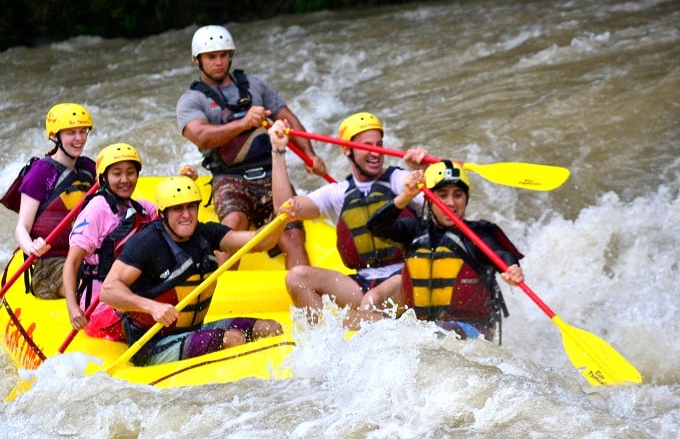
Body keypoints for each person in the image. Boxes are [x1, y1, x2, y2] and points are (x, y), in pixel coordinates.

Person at [175, 24, 327, 269]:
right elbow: (202, 136)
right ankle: (220, 291)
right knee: (233, 224)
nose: (219, 62)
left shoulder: (256, 86)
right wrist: (245, 122)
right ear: (197, 60)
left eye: (224, 55)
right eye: (212, 57)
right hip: (229, 178)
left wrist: (310, 156)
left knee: (292, 232)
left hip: (272, 175)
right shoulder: (192, 99)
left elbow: (289, 120)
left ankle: (304, 291)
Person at [100, 175, 289, 366]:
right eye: (177, 209)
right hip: (153, 344)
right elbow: (108, 291)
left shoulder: (207, 233)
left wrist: (282, 219)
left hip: (195, 330)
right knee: (233, 339)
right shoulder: (146, 243)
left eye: (191, 206)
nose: (187, 215)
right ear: (162, 213)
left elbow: (259, 241)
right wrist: (151, 307)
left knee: (270, 328)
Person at [268, 112, 430, 326]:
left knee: (369, 304)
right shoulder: (338, 193)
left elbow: (442, 208)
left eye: (379, 144)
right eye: (367, 146)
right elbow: (284, 208)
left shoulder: (400, 180)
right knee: (296, 278)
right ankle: (327, 341)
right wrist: (278, 150)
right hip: (362, 284)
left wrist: (424, 171)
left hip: (405, 279)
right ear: (346, 150)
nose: (375, 153)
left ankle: (357, 322)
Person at [367, 161, 525, 342]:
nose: (451, 203)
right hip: (422, 329)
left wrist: (511, 267)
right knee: (372, 325)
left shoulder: (479, 233)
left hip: (474, 331)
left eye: (458, 195)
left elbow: (501, 254)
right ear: (429, 199)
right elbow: (375, 228)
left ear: (466, 199)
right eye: (442, 195)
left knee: (432, 332)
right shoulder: (413, 231)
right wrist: (406, 195)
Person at [62, 143, 159, 341]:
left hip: (133, 293)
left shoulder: (140, 208)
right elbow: (71, 263)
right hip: (99, 306)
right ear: (104, 178)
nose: (125, 180)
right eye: (117, 173)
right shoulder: (96, 211)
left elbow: (171, 218)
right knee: (145, 324)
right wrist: (72, 307)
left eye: (131, 173)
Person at [14, 103, 96, 299]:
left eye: (83, 132)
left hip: (86, 255)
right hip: (51, 262)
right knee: (89, 290)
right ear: (55, 136)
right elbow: (21, 228)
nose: (79, 138)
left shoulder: (90, 168)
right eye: (71, 133)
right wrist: (31, 247)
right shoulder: (40, 173)